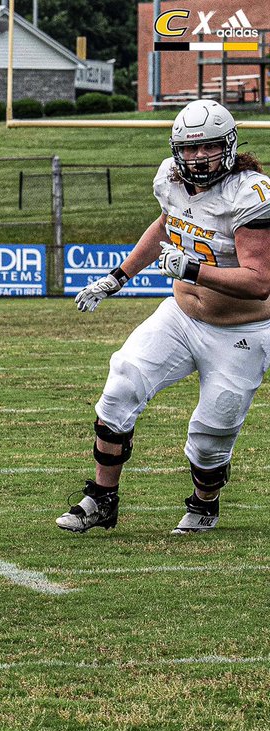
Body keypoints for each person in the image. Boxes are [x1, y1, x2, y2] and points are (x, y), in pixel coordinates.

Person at [60, 99, 270, 535]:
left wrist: (191, 268)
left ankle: (204, 503)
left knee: (211, 435)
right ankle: (101, 499)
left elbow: (260, 280)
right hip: (180, 315)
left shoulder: (249, 194)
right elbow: (165, 225)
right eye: (188, 149)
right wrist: (117, 278)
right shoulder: (170, 180)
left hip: (242, 330)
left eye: (207, 147)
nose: (197, 158)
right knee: (122, 382)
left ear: (228, 145)